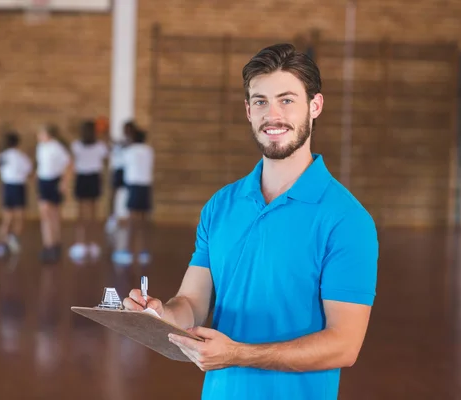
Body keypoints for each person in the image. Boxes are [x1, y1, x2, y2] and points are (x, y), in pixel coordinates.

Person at [123, 43, 379, 399]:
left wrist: (238, 354)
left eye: (287, 100)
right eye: (260, 101)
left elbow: (344, 344)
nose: (272, 115)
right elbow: (192, 303)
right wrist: (159, 313)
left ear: (315, 106)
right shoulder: (220, 206)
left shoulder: (347, 220)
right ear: (247, 110)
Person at [112, 127, 154, 265]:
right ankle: (144, 251)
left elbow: (120, 161)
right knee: (143, 219)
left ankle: (128, 251)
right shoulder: (148, 150)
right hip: (146, 186)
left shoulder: (129, 151)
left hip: (134, 186)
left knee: (131, 219)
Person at [68, 119, 109, 260]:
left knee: (81, 212)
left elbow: (72, 161)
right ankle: (91, 243)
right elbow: (106, 159)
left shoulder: (76, 145)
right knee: (92, 212)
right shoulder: (100, 146)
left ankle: (81, 243)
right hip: (93, 178)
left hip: (83, 178)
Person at [35, 124, 72, 263]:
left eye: (41, 133)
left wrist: (64, 183)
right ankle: (49, 243)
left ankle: (52, 244)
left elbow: (69, 164)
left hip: (53, 181)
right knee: (47, 214)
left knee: (51, 214)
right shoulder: (40, 147)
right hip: (43, 181)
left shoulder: (56, 147)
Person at [0, 131, 32, 257]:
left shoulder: (1, 156)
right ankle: (14, 237)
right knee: (20, 216)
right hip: (18, 186)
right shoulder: (21, 156)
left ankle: (1, 244)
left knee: (6, 217)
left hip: (7, 186)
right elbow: (28, 170)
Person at [105, 121, 136, 233]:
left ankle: (130, 220)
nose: (126, 131)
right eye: (125, 129)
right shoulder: (120, 142)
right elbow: (111, 148)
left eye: (128, 129)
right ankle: (112, 218)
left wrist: (112, 141)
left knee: (130, 196)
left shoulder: (133, 143)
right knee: (113, 194)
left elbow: (124, 144)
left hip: (129, 171)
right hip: (118, 170)